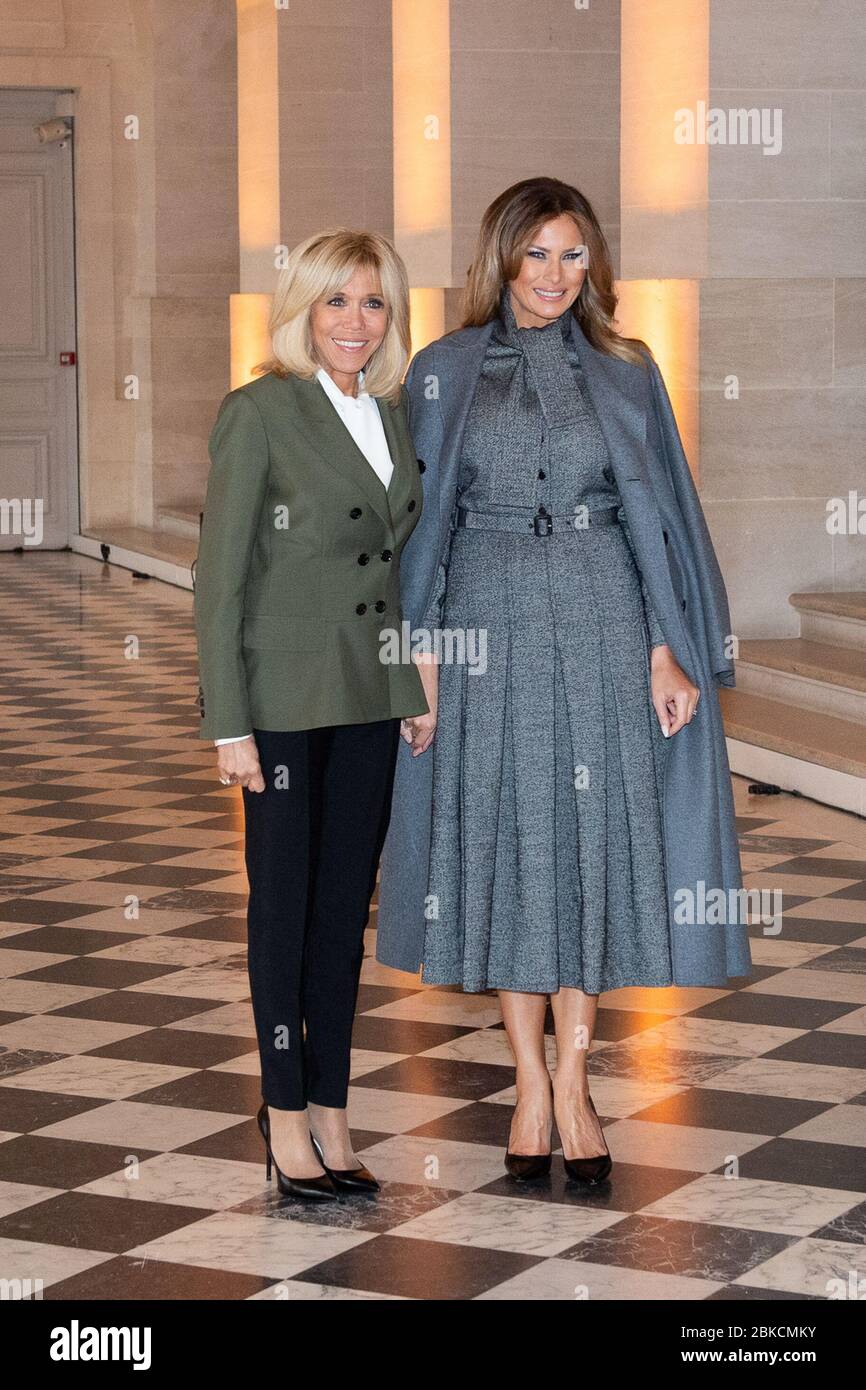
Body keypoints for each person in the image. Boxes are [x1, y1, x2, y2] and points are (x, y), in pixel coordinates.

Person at [376, 177, 752, 1186]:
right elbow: (422, 527)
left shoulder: (627, 369)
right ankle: (528, 1086)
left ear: (594, 263)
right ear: (500, 257)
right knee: (510, 851)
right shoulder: (443, 368)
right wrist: (421, 658)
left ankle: (577, 1083)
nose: (554, 274)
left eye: (572, 254)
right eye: (536, 253)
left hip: (602, 618)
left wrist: (667, 648)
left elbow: (658, 516)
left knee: (590, 852)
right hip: (484, 624)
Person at [194, 230, 428, 1199]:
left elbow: (393, 568)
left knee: (342, 911)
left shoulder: (391, 412)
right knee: (283, 909)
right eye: (335, 301)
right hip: (283, 699)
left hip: (368, 693)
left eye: (372, 303)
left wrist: (412, 685)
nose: (354, 322)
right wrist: (228, 722)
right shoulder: (259, 411)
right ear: (301, 310)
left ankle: (332, 1105)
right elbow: (219, 577)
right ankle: (284, 1109)